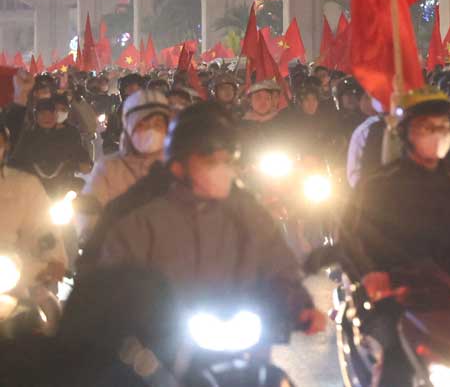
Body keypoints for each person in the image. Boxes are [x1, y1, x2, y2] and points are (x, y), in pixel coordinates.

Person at [86, 103, 325, 333]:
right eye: (210, 162)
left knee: (277, 378)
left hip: (243, 346)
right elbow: (109, 283)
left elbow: (278, 265)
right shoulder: (142, 220)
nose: (221, 169)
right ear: (178, 166)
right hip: (163, 353)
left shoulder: (248, 214)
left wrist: (300, 307)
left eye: (227, 161)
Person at [340, 88, 450, 387]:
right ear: (407, 133)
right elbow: (355, 241)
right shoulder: (378, 189)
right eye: (427, 127)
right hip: (399, 304)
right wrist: (373, 276)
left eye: (443, 127)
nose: (436, 134)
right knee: (395, 367)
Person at [80, 89, 173, 234]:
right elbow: (89, 217)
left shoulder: (179, 166)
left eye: (158, 124)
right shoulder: (108, 169)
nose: (151, 131)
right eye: (142, 125)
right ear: (129, 127)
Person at [0, 126, 67, 295]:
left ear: (6, 144)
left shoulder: (25, 185)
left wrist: (52, 260)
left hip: (14, 281)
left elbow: (43, 229)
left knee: (49, 311)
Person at [8, 96, 92, 195]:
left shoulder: (69, 134)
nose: (47, 118)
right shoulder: (27, 136)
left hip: (62, 189)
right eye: (42, 114)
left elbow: (81, 156)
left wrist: (84, 164)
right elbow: (15, 161)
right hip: (32, 190)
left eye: (51, 113)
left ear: (56, 115)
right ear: (36, 116)